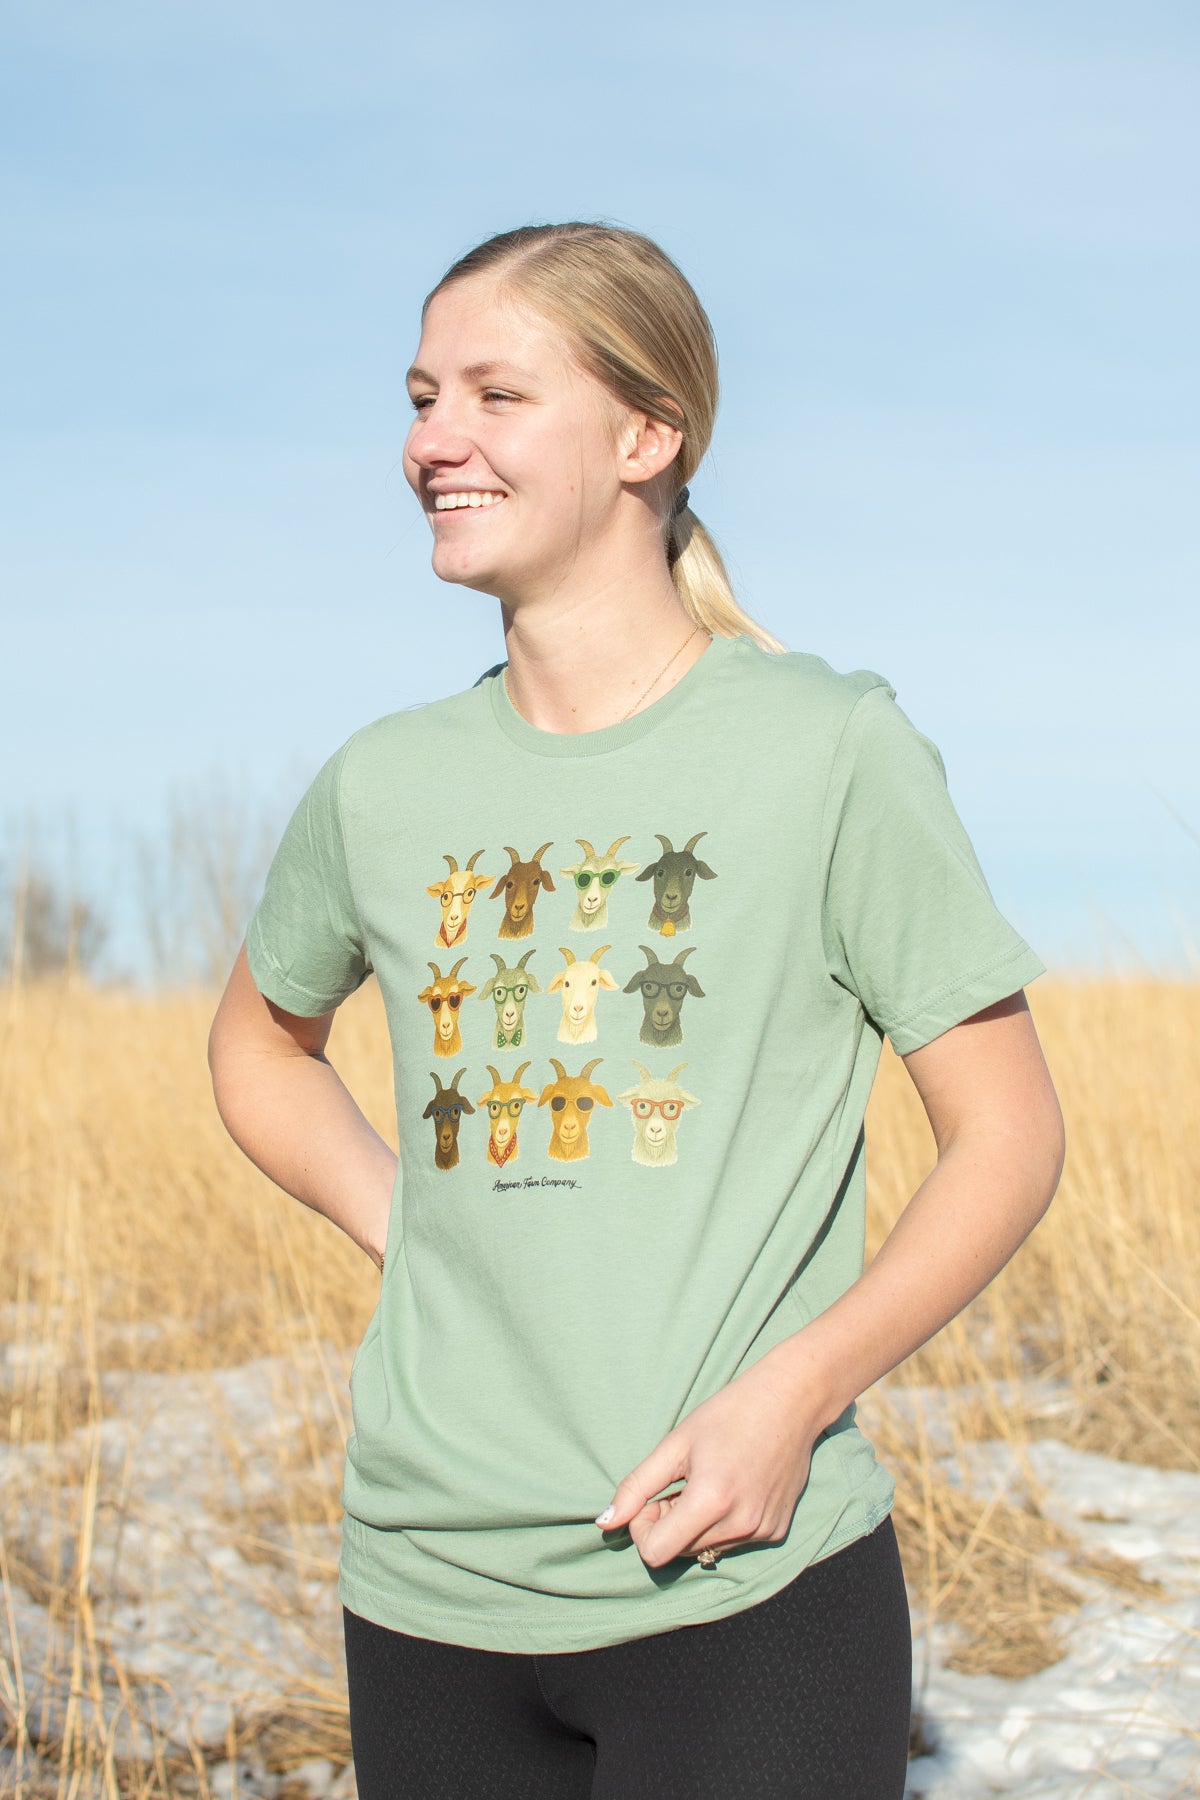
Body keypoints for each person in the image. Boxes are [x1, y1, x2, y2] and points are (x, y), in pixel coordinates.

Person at [208, 222, 1065, 1800]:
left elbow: (1008, 1137)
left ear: (646, 436)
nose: (432, 442)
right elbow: (261, 1044)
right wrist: (408, 1222)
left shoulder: (828, 749)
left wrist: (795, 1397)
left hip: (745, 1586)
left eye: (495, 395)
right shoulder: (382, 783)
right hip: (424, 1589)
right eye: (420, 397)